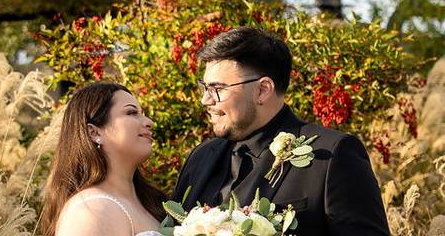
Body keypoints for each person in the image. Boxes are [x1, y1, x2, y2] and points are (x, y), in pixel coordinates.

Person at [172, 27, 391, 235]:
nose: (205, 100)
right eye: (205, 87)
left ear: (263, 90)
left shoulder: (331, 156)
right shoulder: (198, 158)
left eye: (218, 89)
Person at [38, 82, 166, 236]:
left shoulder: (154, 203)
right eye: (131, 113)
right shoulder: (89, 211)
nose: (149, 122)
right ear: (94, 133)